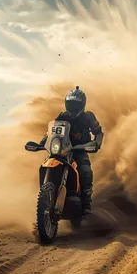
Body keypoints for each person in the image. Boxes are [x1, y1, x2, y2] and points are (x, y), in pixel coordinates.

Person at [39, 86, 104, 215]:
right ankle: (46, 200)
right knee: (46, 164)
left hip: (80, 150)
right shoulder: (62, 115)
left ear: (82, 104)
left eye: (75, 104)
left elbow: (99, 132)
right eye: (70, 104)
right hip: (62, 150)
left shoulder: (88, 116)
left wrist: (96, 143)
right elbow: (52, 131)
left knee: (85, 171)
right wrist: (43, 141)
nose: (73, 107)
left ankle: (86, 206)